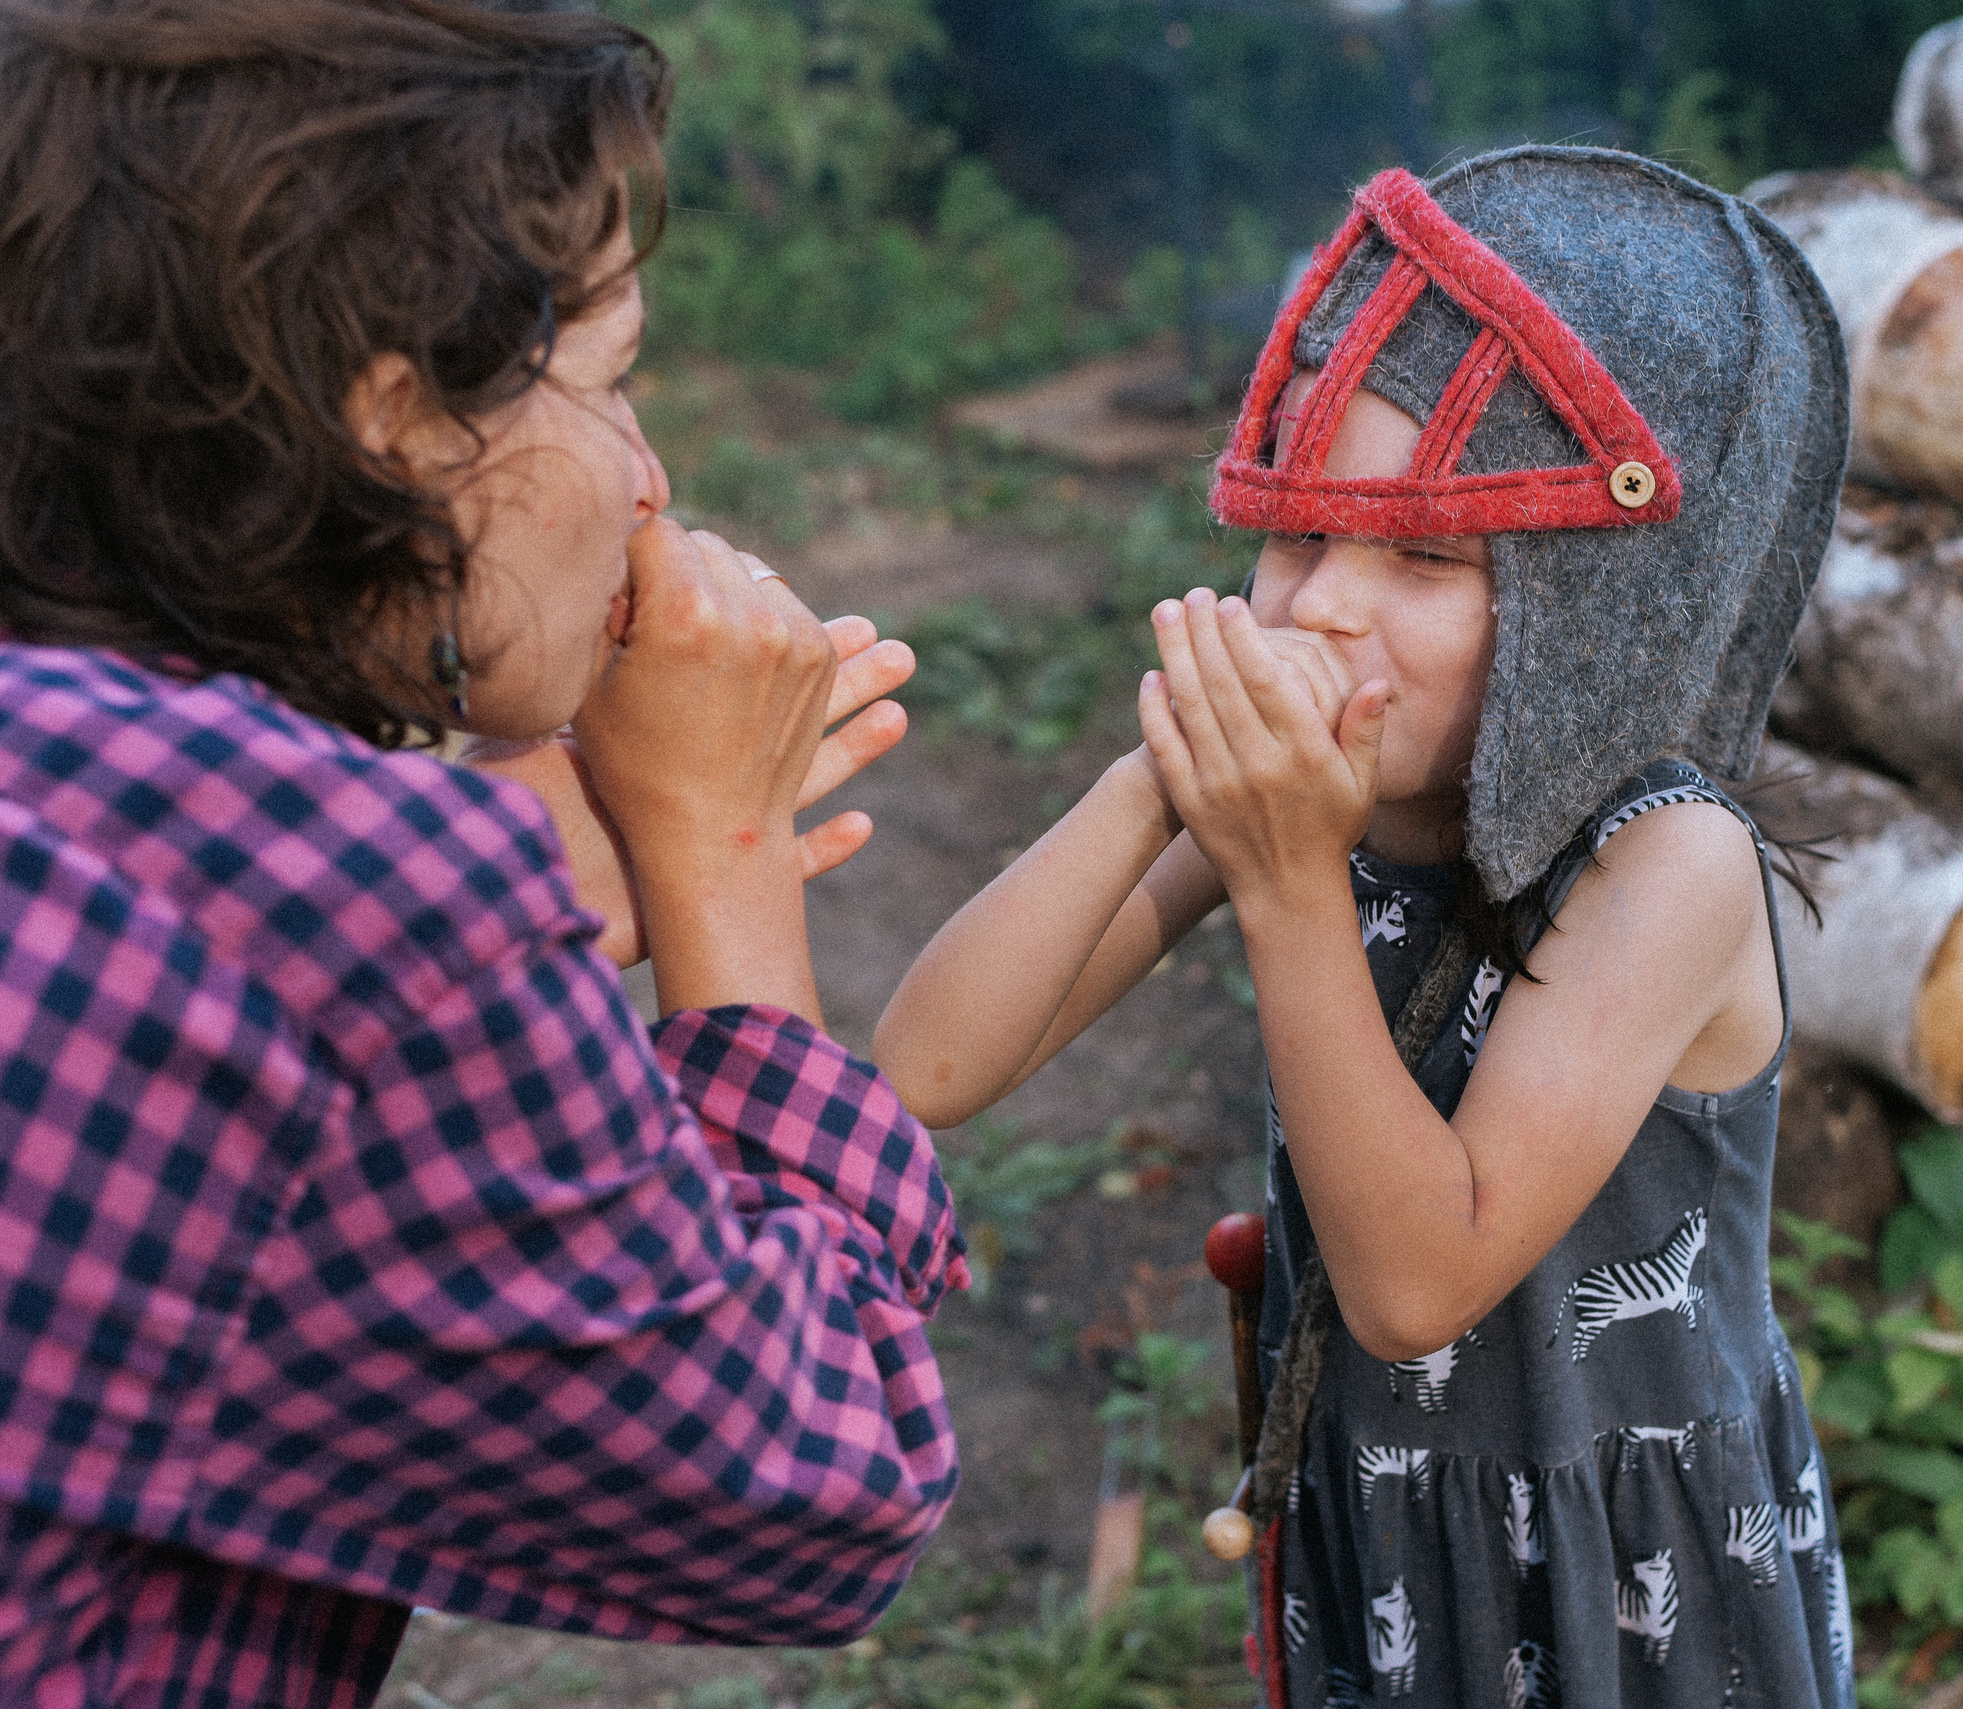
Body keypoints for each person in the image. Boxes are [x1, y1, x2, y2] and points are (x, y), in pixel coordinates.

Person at [0, 3, 965, 1704]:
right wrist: (718, 847)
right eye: (610, 377)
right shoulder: (355, 917)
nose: (649, 480)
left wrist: (495, 886)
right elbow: (817, 1487)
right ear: (400, 425)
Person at [877, 147, 1854, 1706]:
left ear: (1602, 610)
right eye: (1300, 534)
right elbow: (929, 1063)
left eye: (1424, 555)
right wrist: (1158, 776)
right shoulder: (1309, 803)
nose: (1323, 605)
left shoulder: (1669, 865)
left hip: (1630, 1579)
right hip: (1393, 1536)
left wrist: (1284, 886)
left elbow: (1415, 1285)